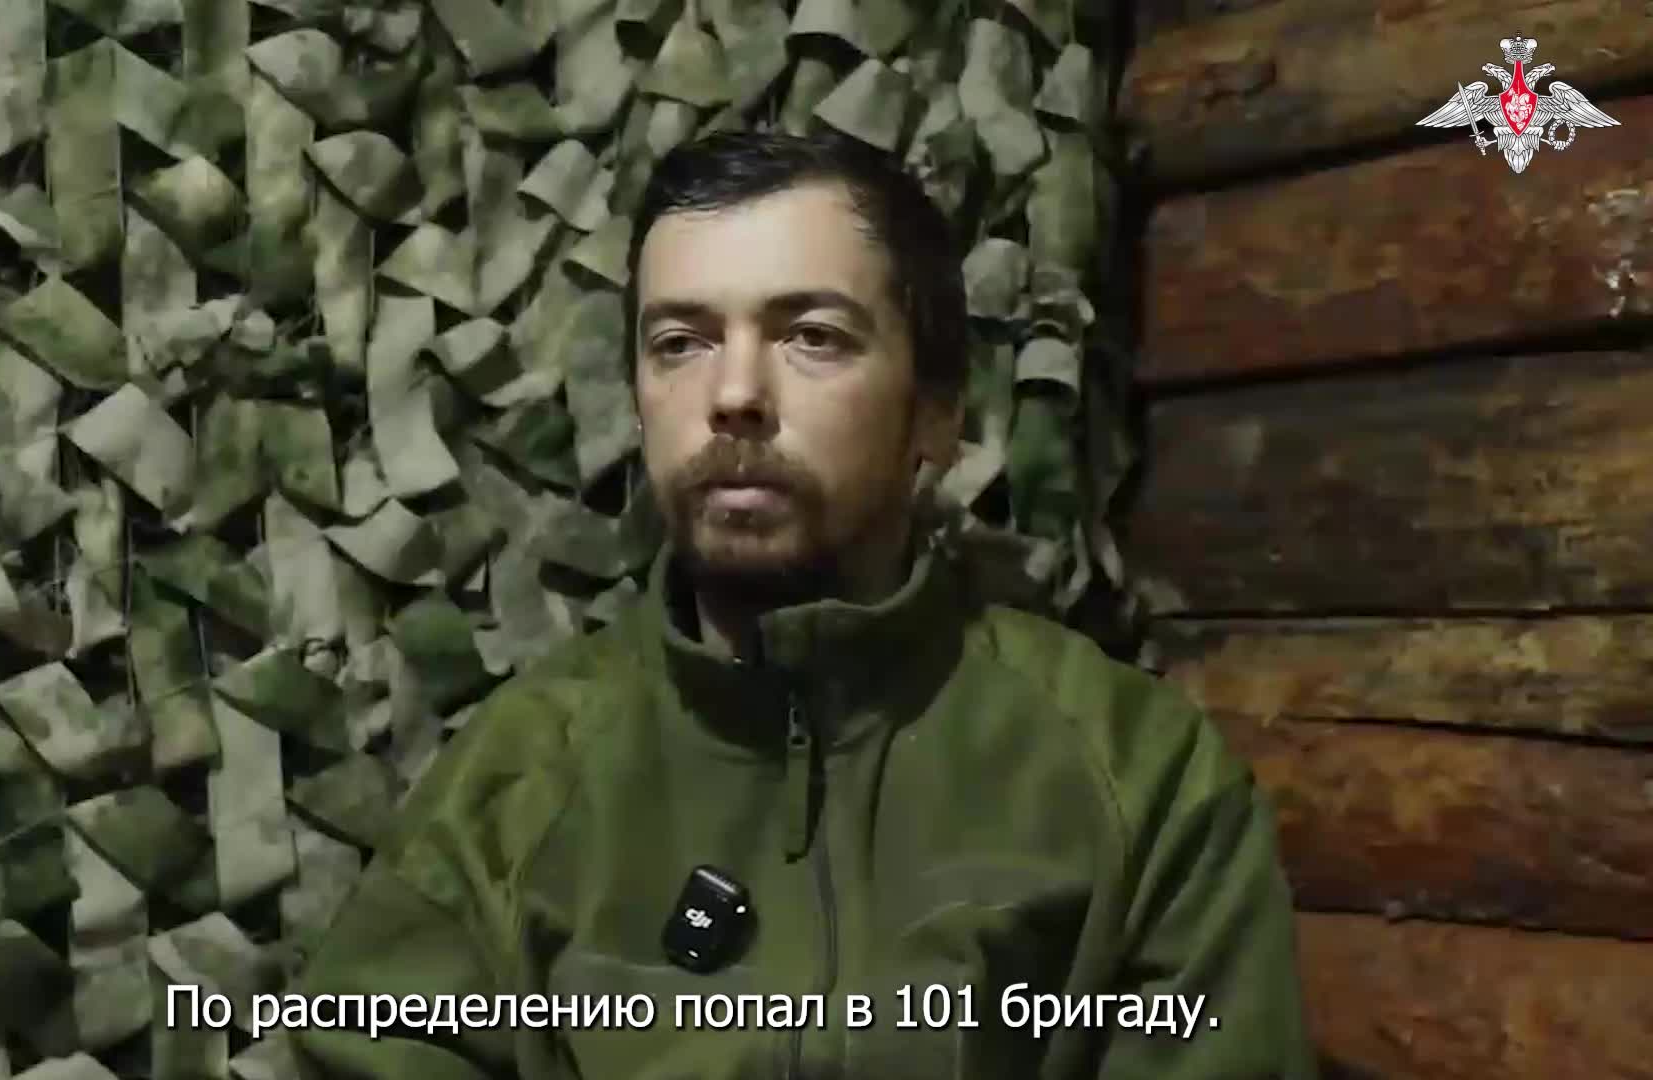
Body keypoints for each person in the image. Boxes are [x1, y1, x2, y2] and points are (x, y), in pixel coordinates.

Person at [289, 129, 1319, 1079]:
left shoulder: (1142, 785)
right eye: (681, 342)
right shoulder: (510, 794)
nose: (734, 394)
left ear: (936, 414)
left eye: (812, 337)